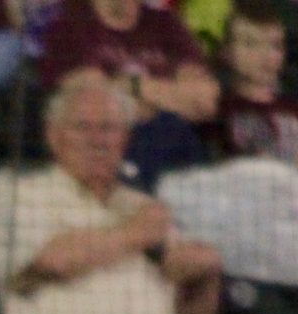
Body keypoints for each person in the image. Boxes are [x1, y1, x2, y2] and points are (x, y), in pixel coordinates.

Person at [0, 70, 235, 314]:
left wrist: (206, 274)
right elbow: (52, 262)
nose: (98, 140)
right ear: (54, 137)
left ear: (125, 139)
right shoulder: (19, 192)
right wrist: (133, 234)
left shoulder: (144, 206)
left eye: (109, 129)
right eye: (83, 128)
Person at [37, 0, 220, 185]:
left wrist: (135, 85)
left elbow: (205, 102)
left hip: (175, 149)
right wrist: (173, 96)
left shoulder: (165, 23)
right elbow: (98, 106)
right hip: (108, 156)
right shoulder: (69, 25)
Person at [216, 0, 298, 189]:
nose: (266, 56)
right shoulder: (221, 110)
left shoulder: (296, 109)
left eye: (275, 46)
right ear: (227, 52)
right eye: (250, 44)